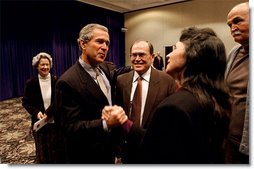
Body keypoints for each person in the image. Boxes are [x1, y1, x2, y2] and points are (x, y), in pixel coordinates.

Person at [140, 27, 231, 163]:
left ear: (192, 55)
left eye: (175, 48)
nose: (168, 56)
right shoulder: (213, 99)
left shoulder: (173, 107)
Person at [55, 23, 128, 164]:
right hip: (87, 155)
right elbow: (69, 128)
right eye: (99, 41)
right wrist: (105, 124)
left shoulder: (106, 69)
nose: (105, 47)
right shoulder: (67, 82)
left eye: (107, 43)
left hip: (110, 148)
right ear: (83, 44)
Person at [103, 40, 176, 163]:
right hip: (128, 150)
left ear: (152, 57)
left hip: (154, 148)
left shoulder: (167, 81)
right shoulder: (121, 80)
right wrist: (118, 150)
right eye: (133, 55)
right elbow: (119, 115)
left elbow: (171, 120)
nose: (137, 59)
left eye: (141, 55)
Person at [22, 52, 62, 163]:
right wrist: (36, 112)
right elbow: (25, 102)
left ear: (50, 65)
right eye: (42, 65)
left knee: (56, 148)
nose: (45, 67)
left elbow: (60, 100)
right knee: (42, 150)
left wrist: (49, 112)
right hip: (39, 122)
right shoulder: (31, 83)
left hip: (55, 121)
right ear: (36, 66)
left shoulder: (57, 81)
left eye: (47, 64)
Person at [224, 2, 249, 164]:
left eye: (238, 21)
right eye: (230, 24)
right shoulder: (234, 53)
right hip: (230, 141)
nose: (233, 27)